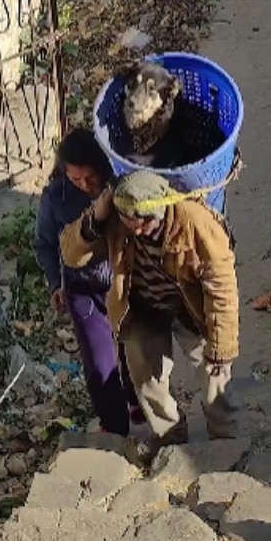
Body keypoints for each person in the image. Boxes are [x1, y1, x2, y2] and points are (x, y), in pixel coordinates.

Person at [59, 169, 241, 462]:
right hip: (143, 307)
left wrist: (222, 345)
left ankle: (226, 441)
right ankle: (171, 441)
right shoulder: (118, 219)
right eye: (130, 222)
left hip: (190, 308)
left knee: (214, 375)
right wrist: (95, 219)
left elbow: (222, 285)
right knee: (147, 381)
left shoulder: (195, 222)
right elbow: (71, 253)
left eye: (144, 223)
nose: (137, 230)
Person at [33, 128, 144, 437]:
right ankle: (115, 429)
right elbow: (44, 244)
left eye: (90, 178)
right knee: (99, 364)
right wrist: (57, 282)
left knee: (132, 350)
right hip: (81, 288)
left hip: (122, 279)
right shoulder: (56, 197)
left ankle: (137, 402)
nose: (85, 185)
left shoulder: (117, 187)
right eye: (76, 180)